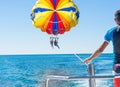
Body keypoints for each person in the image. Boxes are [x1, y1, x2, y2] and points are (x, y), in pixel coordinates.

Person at [83, 9, 120, 87]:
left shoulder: (111, 32)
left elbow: (100, 50)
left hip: (118, 67)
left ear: (115, 20)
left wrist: (90, 58)